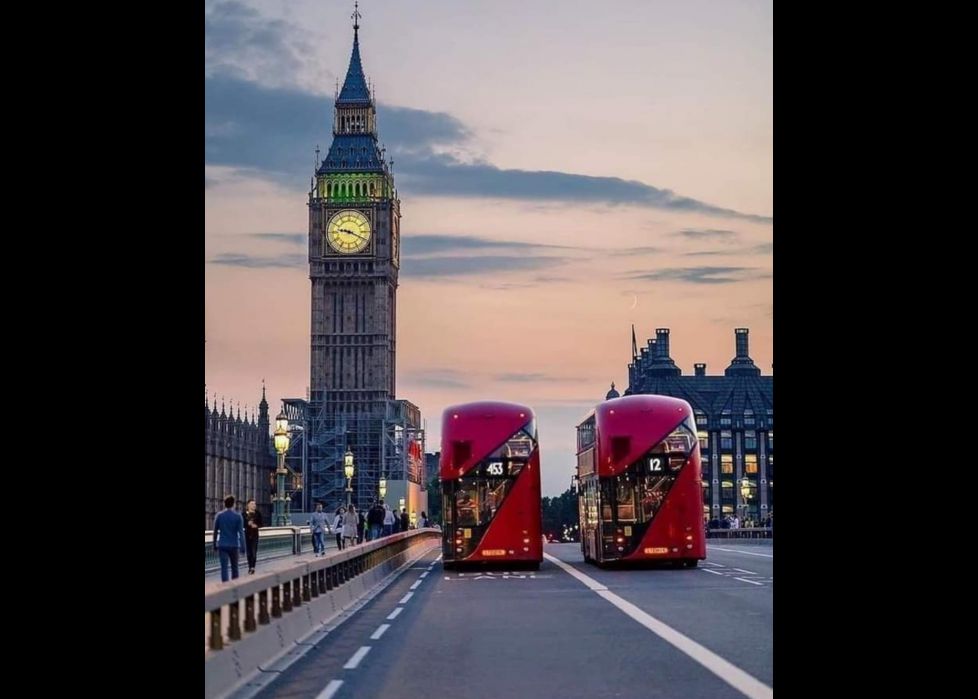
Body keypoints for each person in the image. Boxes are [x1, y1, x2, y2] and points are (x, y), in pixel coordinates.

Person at [213, 495, 246, 582]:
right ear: (234, 504)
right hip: (234, 545)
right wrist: (243, 548)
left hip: (223, 545)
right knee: (235, 568)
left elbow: (215, 532)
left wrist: (214, 545)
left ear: (224, 504)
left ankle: (225, 586)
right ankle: (235, 586)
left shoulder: (219, 516)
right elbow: (241, 533)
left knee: (224, 568)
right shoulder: (238, 516)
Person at [243, 498, 263, 574]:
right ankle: (250, 567)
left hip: (255, 535)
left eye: (254, 504)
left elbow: (261, 524)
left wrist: (256, 526)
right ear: (248, 505)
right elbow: (242, 524)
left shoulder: (258, 513)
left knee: (254, 552)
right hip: (247, 535)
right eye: (252, 504)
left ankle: (253, 567)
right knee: (248, 553)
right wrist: (247, 524)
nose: (254, 505)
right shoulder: (244, 514)